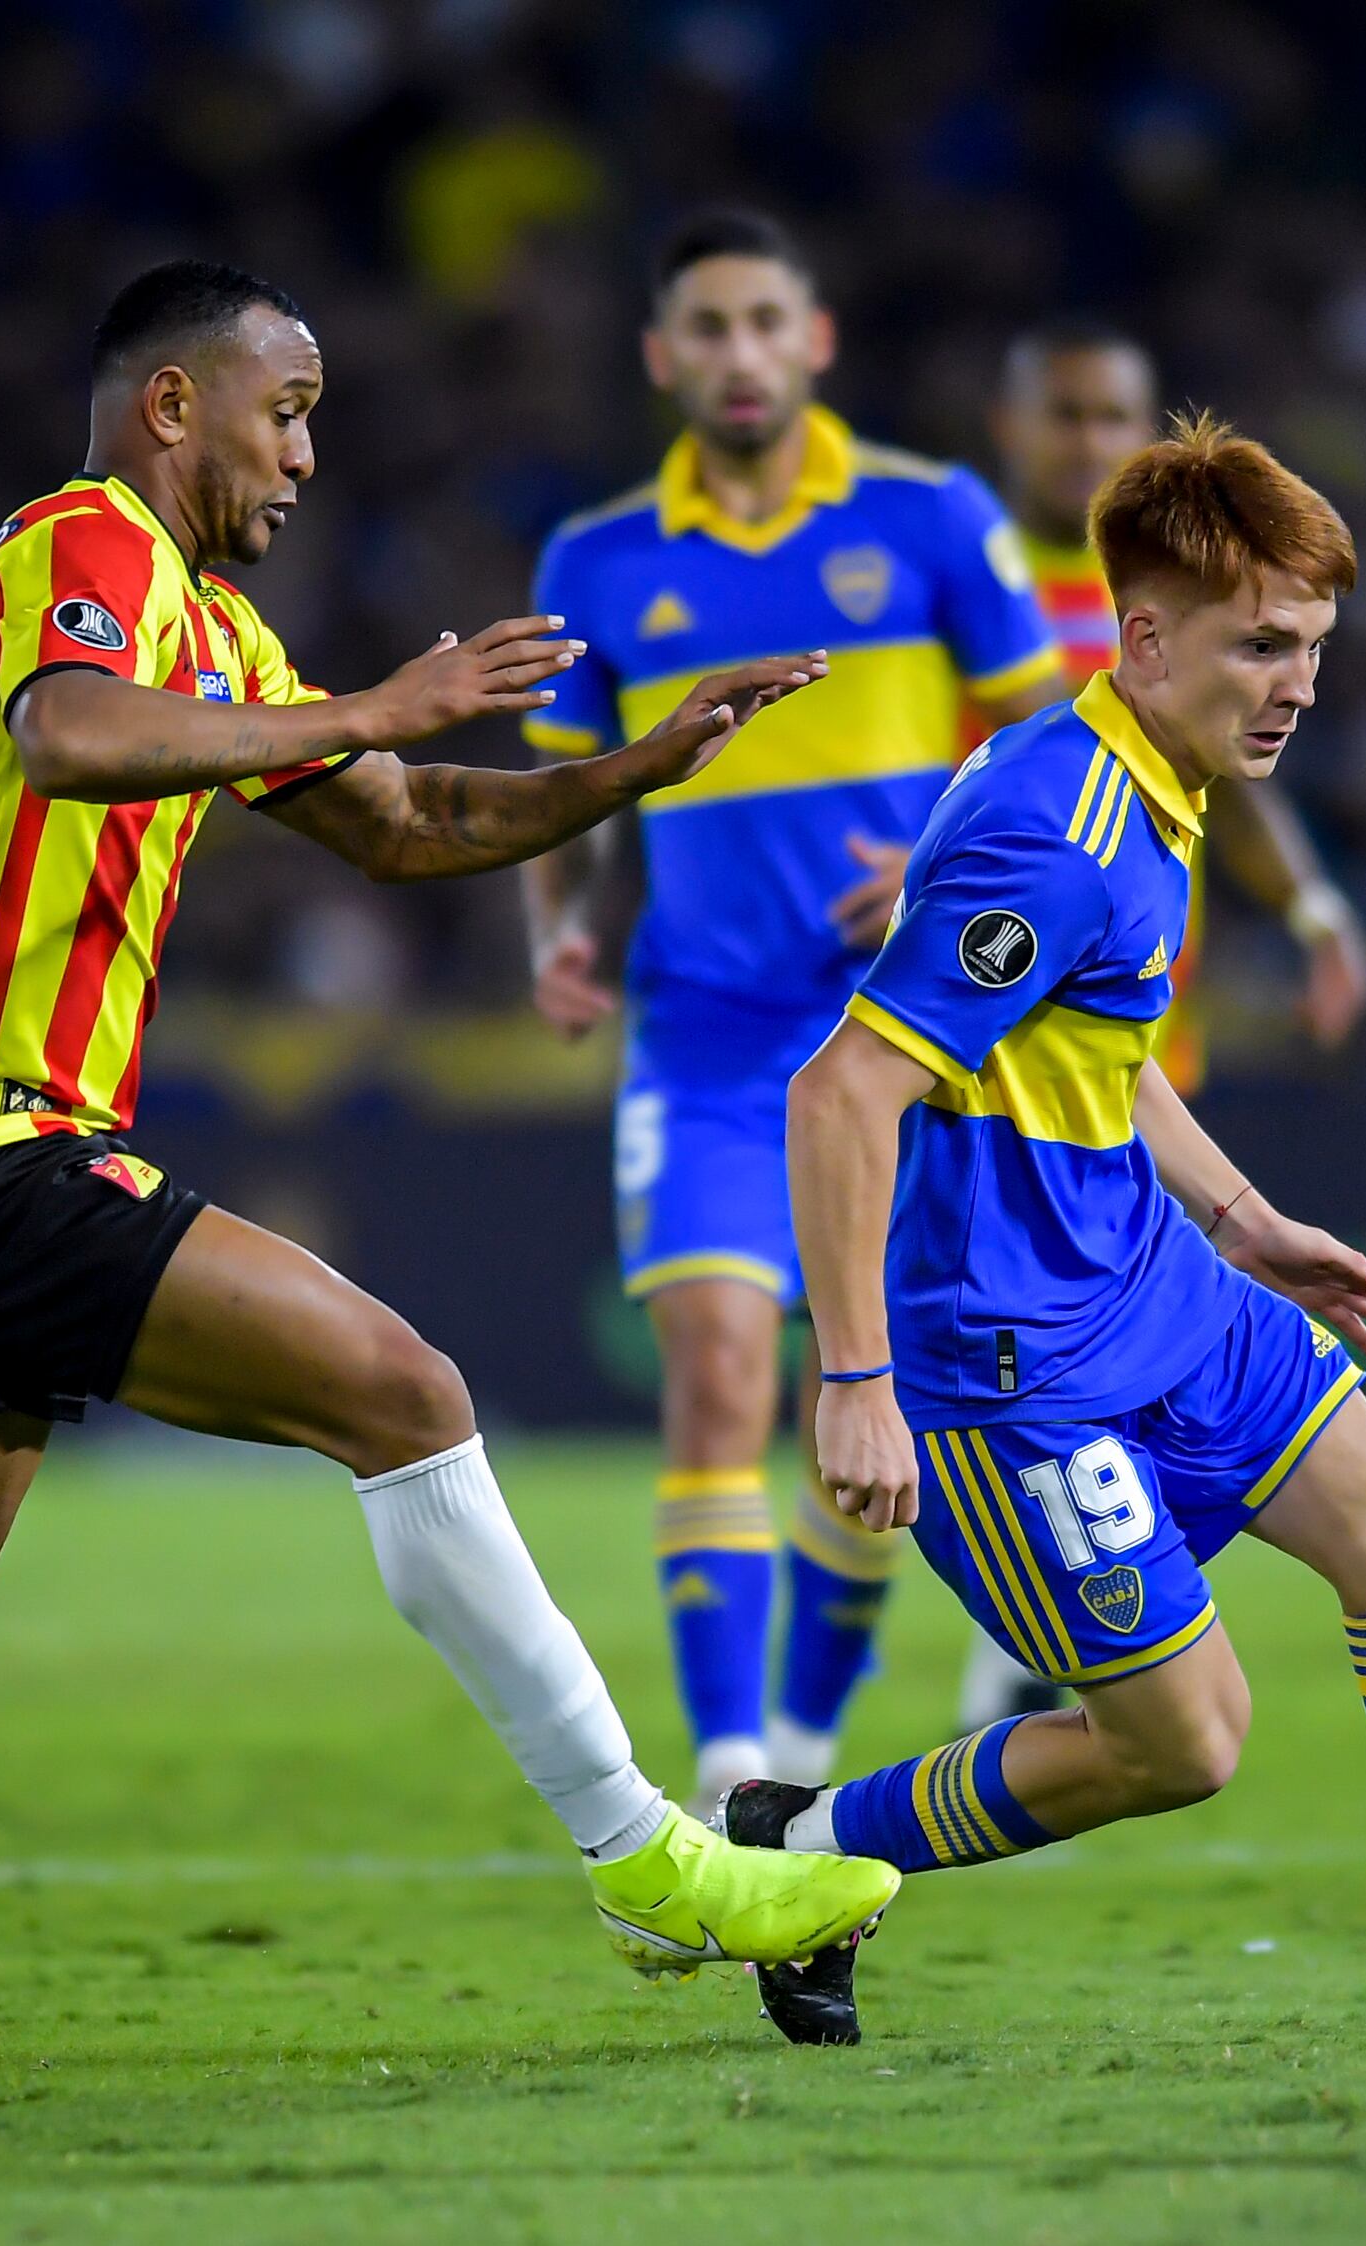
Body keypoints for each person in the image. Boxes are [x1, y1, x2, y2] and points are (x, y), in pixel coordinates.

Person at [0, 260, 898, 2086]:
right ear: (174, 406)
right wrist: (378, 703)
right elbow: (70, 738)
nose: (304, 458)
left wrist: (640, 768)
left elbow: (412, 826)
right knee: (407, 1394)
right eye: (286, 414)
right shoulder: (85, 544)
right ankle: (644, 1857)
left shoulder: (214, 634)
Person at [741, 414, 1366, 2058]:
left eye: (1314, 647)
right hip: (1016, 1362)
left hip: (1156, 1284)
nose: (1298, 687)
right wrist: (854, 1381)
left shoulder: (1151, 777)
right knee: (1184, 1741)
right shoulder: (1059, 831)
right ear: (1145, 638)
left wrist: (1247, 1218)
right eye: (1262, 645)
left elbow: (1096, 1048)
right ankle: (806, 1843)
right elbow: (841, 1094)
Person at [520, 210, 1067, 1812]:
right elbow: (567, 797)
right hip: (702, 1036)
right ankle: (731, 1765)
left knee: (872, 1380)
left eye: (767, 320)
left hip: (896, 1043)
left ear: (815, 340)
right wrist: (558, 929)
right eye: (709, 326)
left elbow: (1050, 754)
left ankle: (806, 1751)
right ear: (662, 356)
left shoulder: (931, 515)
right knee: (713, 1373)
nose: (740, 353)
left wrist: (933, 862)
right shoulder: (597, 561)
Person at [951, 322, 1366, 1733]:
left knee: (1117, 1352)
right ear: (1012, 426)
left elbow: (1232, 775)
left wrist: (1312, 907)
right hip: (971, 1025)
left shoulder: (1202, 596)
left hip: (1125, 1048)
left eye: (1114, 418)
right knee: (939, 1370)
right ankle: (808, 1740)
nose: (1090, 443)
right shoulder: (961, 578)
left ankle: (1045, 1635)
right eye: (1066, 415)